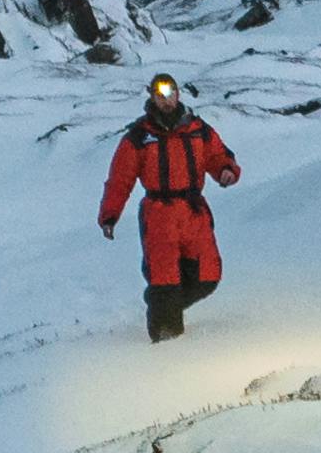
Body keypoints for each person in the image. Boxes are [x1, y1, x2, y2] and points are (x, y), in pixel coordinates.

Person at [98, 72, 238, 342]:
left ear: (178, 94)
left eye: (170, 94)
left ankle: (164, 310)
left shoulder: (198, 130)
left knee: (206, 275)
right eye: (160, 96)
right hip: (159, 213)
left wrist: (225, 171)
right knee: (164, 279)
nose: (166, 101)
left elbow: (219, 155)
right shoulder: (139, 137)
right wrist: (109, 215)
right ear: (152, 97)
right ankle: (166, 342)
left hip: (193, 210)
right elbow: (120, 178)